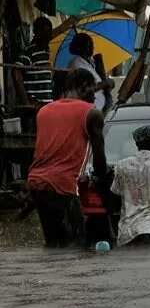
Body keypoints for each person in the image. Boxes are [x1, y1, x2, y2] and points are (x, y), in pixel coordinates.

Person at [26, 69, 107, 247]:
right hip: (64, 186)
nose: (94, 98)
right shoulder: (92, 113)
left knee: (54, 243)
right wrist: (102, 179)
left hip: (36, 184)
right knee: (76, 247)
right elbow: (100, 161)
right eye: (93, 91)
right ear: (83, 87)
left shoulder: (44, 111)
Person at [13, 17, 54, 133]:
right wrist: (26, 101)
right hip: (35, 108)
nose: (49, 36)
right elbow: (16, 71)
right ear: (37, 33)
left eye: (49, 33)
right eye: (45, 32)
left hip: (46, 107)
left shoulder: (46, 52)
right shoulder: (30, 51)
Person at [67, 33, 115, 110]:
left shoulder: (92, 62)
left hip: (100, 107)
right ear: (80, 47)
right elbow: (84, 89)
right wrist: (105, 83)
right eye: (88, 45)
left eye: (92, 44)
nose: (92, 47)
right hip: (89, 109)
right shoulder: (76, 64)